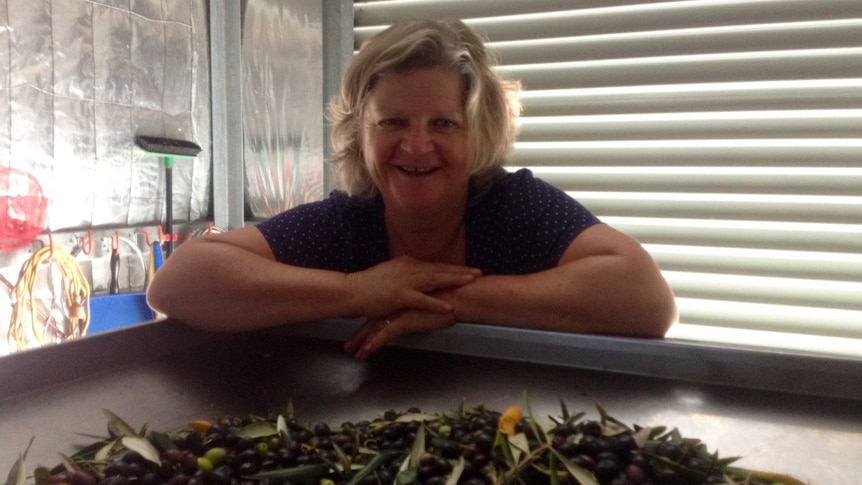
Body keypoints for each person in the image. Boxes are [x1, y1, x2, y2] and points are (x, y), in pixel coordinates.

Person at [147, 18, 677, 360]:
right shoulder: (345, 226)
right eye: (393, 123)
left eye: (443, 124)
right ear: (360, 133)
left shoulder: (515, 208)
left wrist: (448, 301)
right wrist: (358, 290)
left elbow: (646, 300)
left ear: (480, 130)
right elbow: (178, 285)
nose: (417, 147)